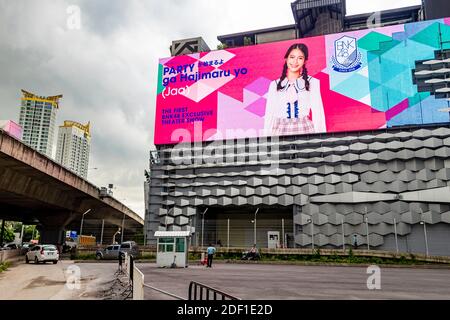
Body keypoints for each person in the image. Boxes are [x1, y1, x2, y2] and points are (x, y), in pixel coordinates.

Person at [264, 43, 326, 136]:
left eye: (300, 58)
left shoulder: (312, 82)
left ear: (304, 61)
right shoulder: (275, 85)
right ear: (286, 58)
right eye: (292, 57)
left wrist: (322, 137)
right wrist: (267, 138)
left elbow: (318, 112)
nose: (295, 61)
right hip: (280, 130)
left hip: (304, 129)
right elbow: (270, 114)